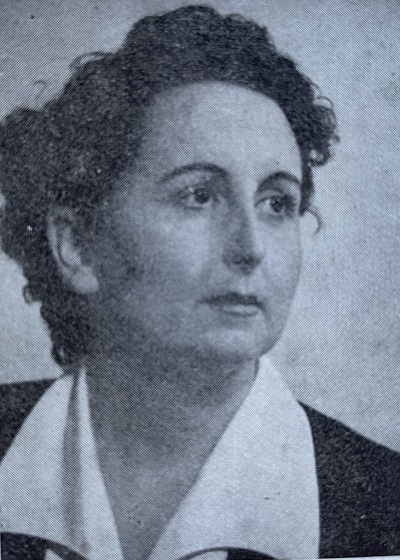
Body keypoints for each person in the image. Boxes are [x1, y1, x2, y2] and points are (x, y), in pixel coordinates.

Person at [0, 5, 399, 560]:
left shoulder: (384, 502)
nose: (250, 247)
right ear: (77, 246)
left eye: (277, 203)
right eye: (199, 195)